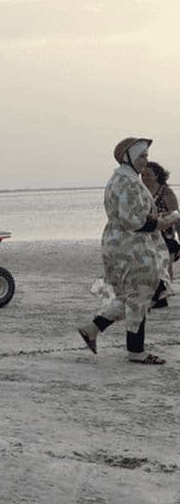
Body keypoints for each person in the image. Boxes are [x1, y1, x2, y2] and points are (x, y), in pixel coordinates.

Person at [77, 137, 178, 365]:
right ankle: (136, 351)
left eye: (146, 156)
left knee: (135, 294)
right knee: (141, 294)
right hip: (132, 247)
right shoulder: (128, 183)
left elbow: (132, 217)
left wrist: (157, 220)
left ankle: (92, 329)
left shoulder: (121, 179)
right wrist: (168, 220)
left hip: (122, 244)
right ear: (129, 157)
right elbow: (136, 222)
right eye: (142, 156)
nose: (145, 161)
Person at [141, 161, 180, 279]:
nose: (144, 177)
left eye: (148, 174)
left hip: (166, 237)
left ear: (157, 175)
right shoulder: (141, 192)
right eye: (142, 175)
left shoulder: (165, 192)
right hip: (146, 237)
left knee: (165, 271)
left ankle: (167, 293)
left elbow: (177, 216)